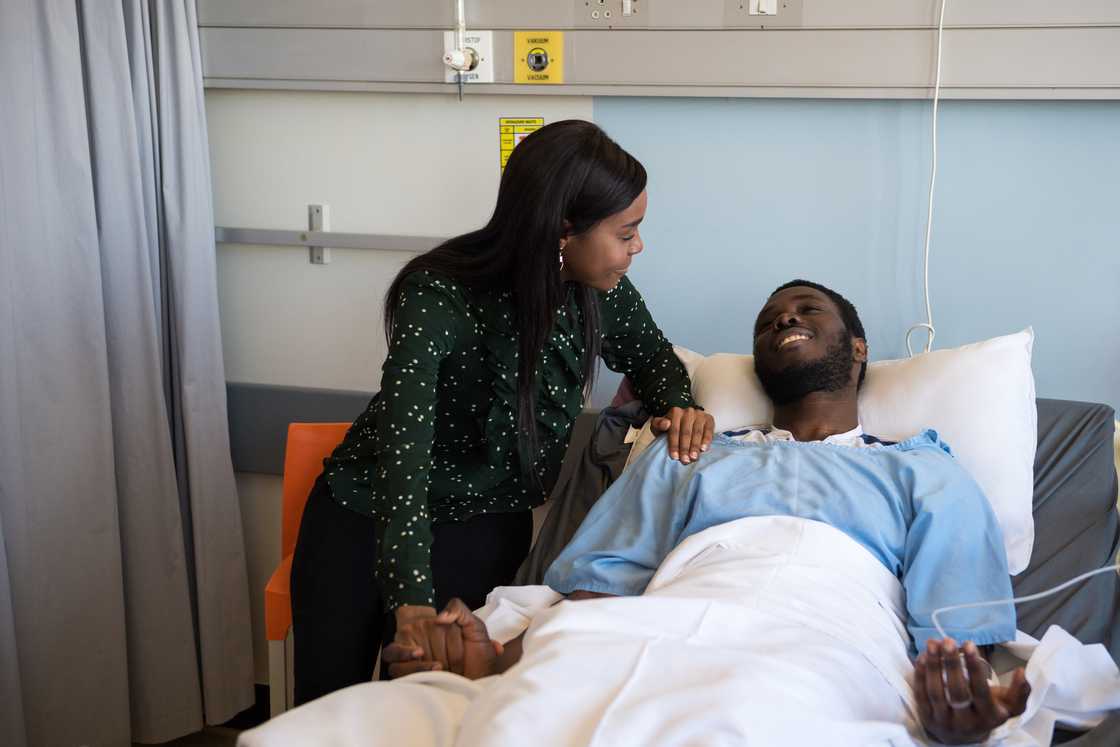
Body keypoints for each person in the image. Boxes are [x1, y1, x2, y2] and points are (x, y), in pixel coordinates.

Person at [385, 280, 1032, 745]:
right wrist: (501, 658)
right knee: (540, 708)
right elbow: (596, 585)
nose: (784, 319)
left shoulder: (922, 468)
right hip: (659, 619)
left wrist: (962, 713)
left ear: (857, 348)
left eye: (807, 310)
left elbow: (958, 632)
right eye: (769, 320)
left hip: (824, 633)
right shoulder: (692, 453)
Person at [289, 120, 715, 705]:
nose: (637, 247)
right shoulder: (439, 294)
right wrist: (410, 597)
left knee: (435, 708)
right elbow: (402, 455)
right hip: (370, 514)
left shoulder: (600, 291)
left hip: (485, 522)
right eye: (627, 231)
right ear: (565, 229)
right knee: (326, 707)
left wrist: (680, 405)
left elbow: (654, 360)